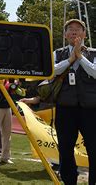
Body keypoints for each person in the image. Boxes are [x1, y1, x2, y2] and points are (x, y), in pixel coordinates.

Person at [54, 19, 96, 185]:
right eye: (70, 29)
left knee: (94, 148)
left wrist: (80, 57)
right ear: (65, 35)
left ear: (84, 34)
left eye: (78, 29)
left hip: (91, 110)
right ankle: (69, 181)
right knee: (65, 148)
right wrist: (70, 59)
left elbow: (95, 72)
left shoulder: (93, 53)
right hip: (65, 109)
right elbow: (52, 71)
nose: (74, 32)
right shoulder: (57, 53)